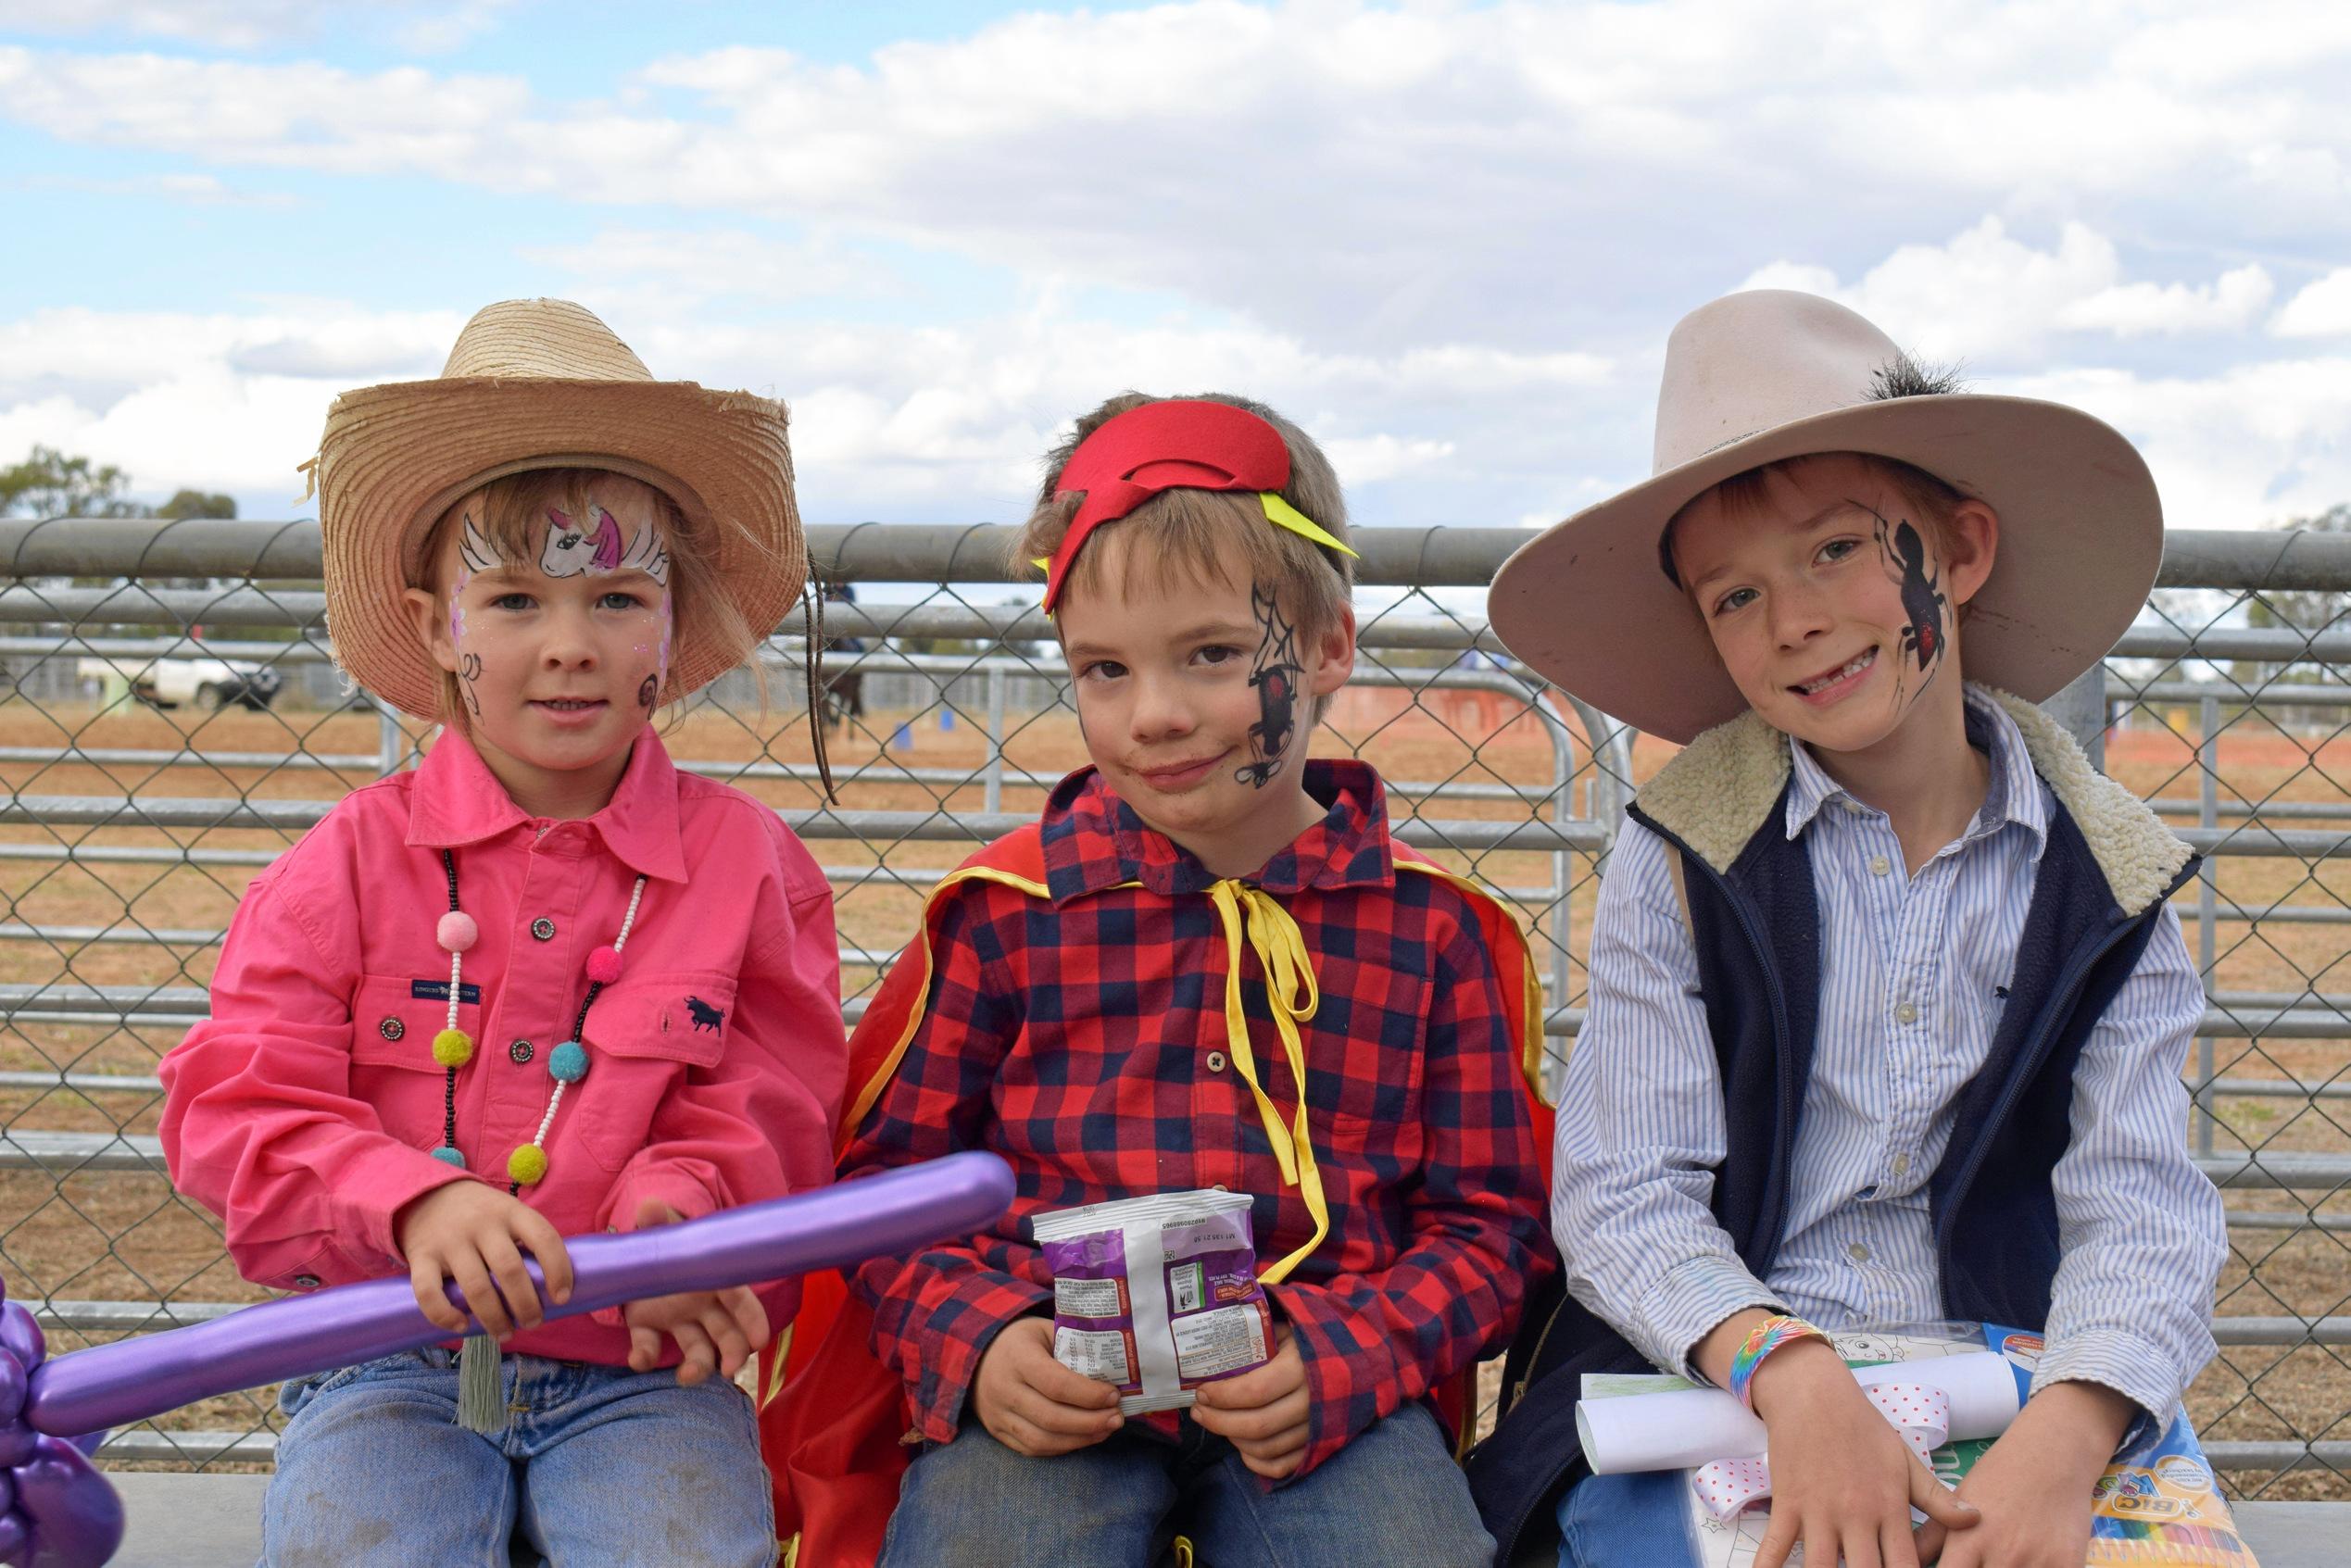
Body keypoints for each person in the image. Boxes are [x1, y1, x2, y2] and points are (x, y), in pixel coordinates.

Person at [1470, 289, 2228, 1568]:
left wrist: (2069, 1431)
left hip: (2014, 1387)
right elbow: (1624, 1188)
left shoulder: (2110, 880)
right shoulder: (1684, 854)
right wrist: (1792, 1374)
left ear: (1960, 551)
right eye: (1732, 597)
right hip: (1726, 1371)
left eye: (1834, 551)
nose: (1794, 621)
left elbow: (2139, 1209)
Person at [811, 392, 1553, 1566]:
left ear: (1325, 649)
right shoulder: (1006, 922)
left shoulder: (1436, 934)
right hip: (1055, 1393)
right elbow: (888, 1190)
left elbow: (1495, 1228)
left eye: (1210, 654)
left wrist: (1345, 1354)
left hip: (1324, 1402)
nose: (1154, 713)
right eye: (1104, 669)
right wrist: (984, 1340)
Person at [158, 298, 843, 1568]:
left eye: (617, 597)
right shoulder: (343, 866)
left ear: (673, 626)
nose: (569, 647)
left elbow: (779, 1098)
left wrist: (684, 1216)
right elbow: (238, 1107)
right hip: (379, 1355)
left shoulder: (750, 868)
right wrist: (408, 1203)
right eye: (516, 598)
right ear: (436, 626)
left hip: (645, 1363)